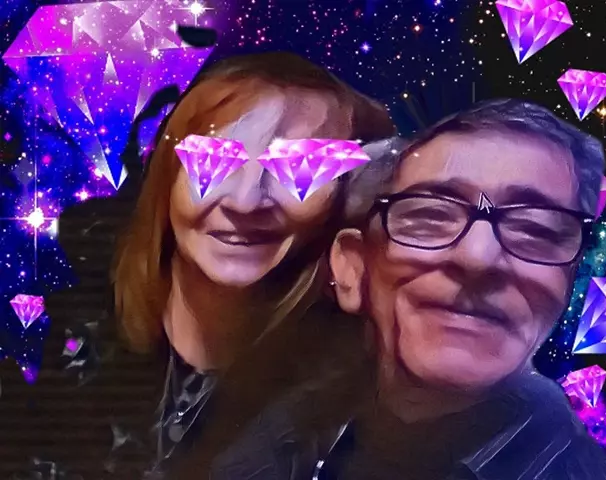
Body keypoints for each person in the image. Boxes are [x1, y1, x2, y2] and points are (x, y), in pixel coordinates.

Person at [0, 51, 396, 480]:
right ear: (168, 177)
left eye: (299, 168)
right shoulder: (49, 321)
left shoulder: (342, 397)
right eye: (212, 160)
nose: (245, 202)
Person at [323, 98, 606, 479]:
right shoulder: (287, 439)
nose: (477, 257)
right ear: (353, 268)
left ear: (569, 285)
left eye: (535, 229)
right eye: (430, 215)